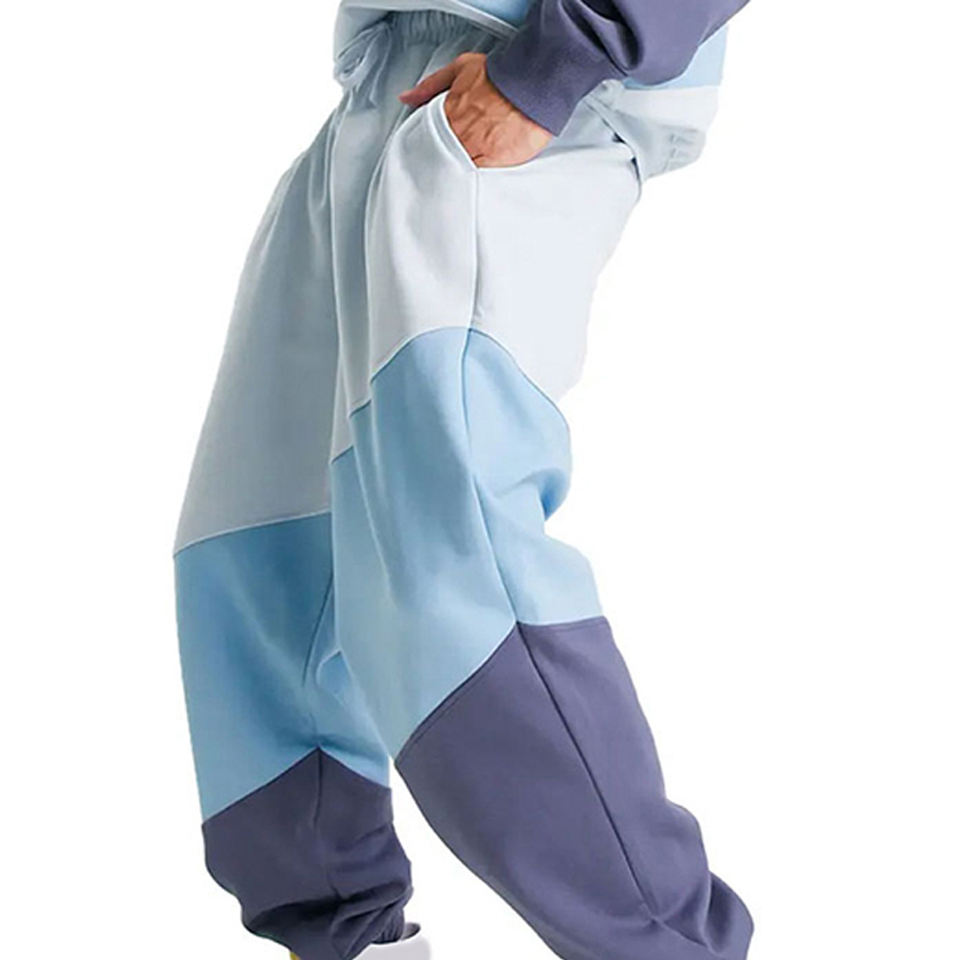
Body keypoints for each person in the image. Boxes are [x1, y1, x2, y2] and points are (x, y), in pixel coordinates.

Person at [174, 0, 753, 957]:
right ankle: (347, 938)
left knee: (457, 557)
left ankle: (665, 948)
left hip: (524, 76)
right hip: (389, 80)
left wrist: (558, 63)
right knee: (261, 547)